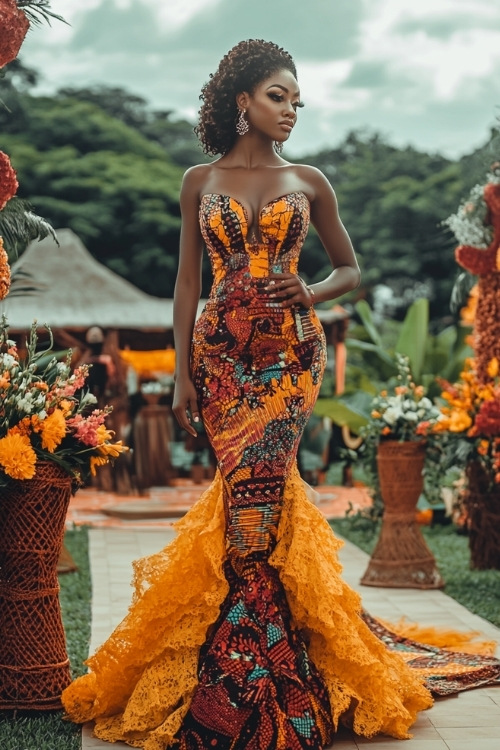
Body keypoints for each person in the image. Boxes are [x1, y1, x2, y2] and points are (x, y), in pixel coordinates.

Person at [62, 40, 500, 749]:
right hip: (223, 358)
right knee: (244, 500)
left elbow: (350, 269)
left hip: (291, 359)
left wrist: (313, 287)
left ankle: (263, 678)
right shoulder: (196, 180)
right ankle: (246, 667)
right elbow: (186, 282)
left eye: (298, 100)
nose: (292, 110)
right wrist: (181, 373)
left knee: (261, 502)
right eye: (279, 96)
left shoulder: (311, 180)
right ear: (243, 100)